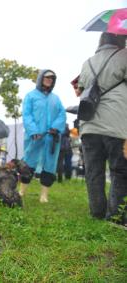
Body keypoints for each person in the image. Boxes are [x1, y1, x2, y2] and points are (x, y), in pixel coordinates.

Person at [78, 32, 127, 226]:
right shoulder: (124, 56)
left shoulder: (87, 62)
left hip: (89, 125)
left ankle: (97, 213)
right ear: (120, 40)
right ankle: (115, 217)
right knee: (120, 170)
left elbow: (81, 90)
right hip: (116, 124)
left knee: (93, 171)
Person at [19, 69, 66, 203]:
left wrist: (56, 128)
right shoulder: (31, 96)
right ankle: (22, 191)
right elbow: (27, 115)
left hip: (51, 138)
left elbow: (62, 114)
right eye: (47, 77)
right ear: (40, 78)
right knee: (28, 163)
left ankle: (44, 195)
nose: (49, 80)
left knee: (49, 165)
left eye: (52, 78)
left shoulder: (56, 99)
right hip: (35, 137)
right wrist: (33, 131)